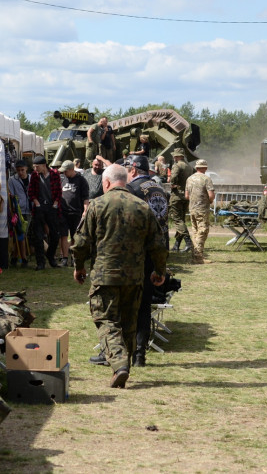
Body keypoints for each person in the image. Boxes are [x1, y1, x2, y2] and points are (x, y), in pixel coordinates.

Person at [71, 164, 166, 388]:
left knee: (106, 320)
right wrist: (160, 271)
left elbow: (80, 242)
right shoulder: (143, 206)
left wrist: (79, 266)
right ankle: (124, 368)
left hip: (105, 275)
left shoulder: (97, 205)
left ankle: (120, 364)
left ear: (106, 183)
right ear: (125, 180)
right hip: (135, 276)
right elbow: (158, 245)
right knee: (129, 322)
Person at [124, 155, 169, 367]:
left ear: (133, 169)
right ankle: (140, 355)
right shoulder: (159, 188)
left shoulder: (131, 189)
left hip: (135, 254)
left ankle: (123, 352)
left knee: (125, 304)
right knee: (144, 305)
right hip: (156, 252)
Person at [27, 155, 63, 270]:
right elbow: (31, 192)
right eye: (34, 167)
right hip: (39, 208)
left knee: (55, 235)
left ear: (44, 165)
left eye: (37, 166)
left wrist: (55, 204)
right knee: (38, 236)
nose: (35, 169)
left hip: (52, 207)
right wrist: (37, 203)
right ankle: (40, 263)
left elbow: (59, 192)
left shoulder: (55, 174)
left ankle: (50, 256)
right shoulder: (34, 176)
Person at [59, 159, 90, 267]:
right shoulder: (62, 178)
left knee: (74, 236)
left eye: (66, 171)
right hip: (63, 212)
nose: (64, 173)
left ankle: (74, 258)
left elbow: (85, 198)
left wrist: (85, 211)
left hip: (76, 212)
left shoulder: (81, 180)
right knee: (63, 235)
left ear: (72, 170)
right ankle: (64, 258)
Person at [185, 159, 216, 264]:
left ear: (196, 167)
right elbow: (211, 195)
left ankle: (195, 256)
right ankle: (198, 257)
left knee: (195, 231)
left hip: (192, 209)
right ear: (205, 168)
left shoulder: (189, 179)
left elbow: (186, 196)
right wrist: (209, 201)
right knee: (202, 231)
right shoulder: (206, 179)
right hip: (202, 209)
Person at [168, 148, 194, 252]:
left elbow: (173, 177)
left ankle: (189, 243)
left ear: (178, 156)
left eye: (175, 155)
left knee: (177, 220)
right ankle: (177, 244)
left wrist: (172, 183)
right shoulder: (189, 166)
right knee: (181, 220)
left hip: (177, 195)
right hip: (186, 195)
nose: (174, 157)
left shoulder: (177, 165)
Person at [9, 159, 32, 267]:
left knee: (22, 234)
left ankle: (14, 257)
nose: (20, 172)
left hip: (29, 210)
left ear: (26, 168)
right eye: (18, 170)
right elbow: (12, 195)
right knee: (21, 234)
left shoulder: (32, 178)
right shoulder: (12, 180)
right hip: (18, 210)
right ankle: (23, 258)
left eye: (22, 170)